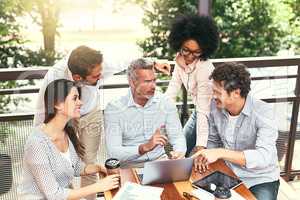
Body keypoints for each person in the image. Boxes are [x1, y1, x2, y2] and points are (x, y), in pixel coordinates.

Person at [33, 45, 170, 199]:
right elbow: (41, 110)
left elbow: (127, 59)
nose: (101, 77)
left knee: (88, 161)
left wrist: (154, 62)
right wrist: (40, 139)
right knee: (60, 163)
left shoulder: (100, 65)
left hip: (90, 113)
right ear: (77, 77)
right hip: (65, 117)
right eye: (96, 76)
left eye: (101, 73)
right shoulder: (55, 78)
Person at [19, 79, 120, 200]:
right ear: (58, 104)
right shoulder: (37, 144)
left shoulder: (66, 131)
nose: (80, 102)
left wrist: (99, 168)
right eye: (75, 98)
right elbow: (54, 195)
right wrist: (99, 187)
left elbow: (76, 167)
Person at [194, 62, 280, 200]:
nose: (213, 96)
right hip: (227, 173)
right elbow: (213, 141)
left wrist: (220, 152)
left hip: (260, 179)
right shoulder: (215, 107)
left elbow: (264, 157)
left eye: (217, 92)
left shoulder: (264, 112)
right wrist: (204, 156)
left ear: (236, 93)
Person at [104, 58, 186, 168]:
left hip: (160, 161)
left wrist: (179, 152)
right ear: (132, 82)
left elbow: (177, 137)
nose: (153, 86)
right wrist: (143, 148)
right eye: (147, 81)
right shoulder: (114, 108)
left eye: (154, 80)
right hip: (130, 166)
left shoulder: (165, 102)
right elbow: (114, 153)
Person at [165, 15, 219, 156]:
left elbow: (204, 110)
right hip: (198, 112)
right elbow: (172, 90)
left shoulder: (204, 68)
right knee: (180, 149)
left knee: (193, 155)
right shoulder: (180, 60)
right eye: (186, 50)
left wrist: (201, 145)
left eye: (196, 52)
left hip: (212, 116)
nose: (189, 56)